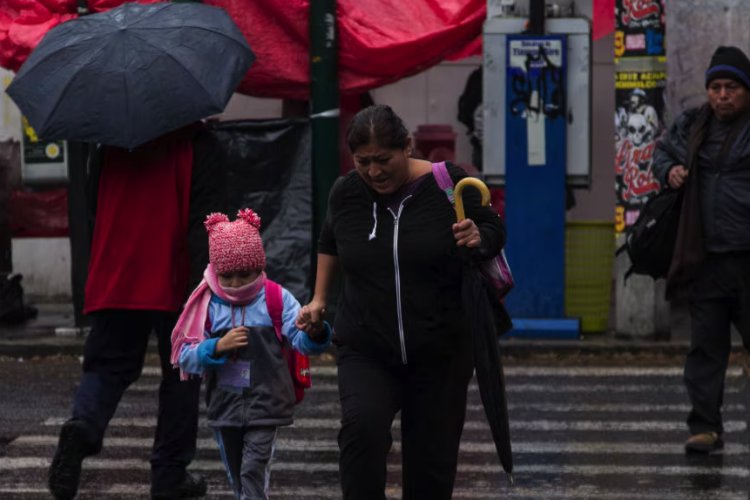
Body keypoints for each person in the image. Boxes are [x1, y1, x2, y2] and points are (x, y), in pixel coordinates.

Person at [296, 104, 507, 499]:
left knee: (430, 469)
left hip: (440, 351)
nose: (374, 172)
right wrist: (320, 298)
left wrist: (478, 236)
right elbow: (330, 241)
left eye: (383, 160)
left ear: (406, 147)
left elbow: (494, 229)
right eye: (363, 162)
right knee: (361, 434)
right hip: (367, 347)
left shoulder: (449, 186)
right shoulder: (346, 193)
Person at [48, 126, 221, 500]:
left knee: (108, 365)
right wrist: (204, 286)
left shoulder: (111, 139)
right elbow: (205, 220)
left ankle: (84, 426)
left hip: (117, 269)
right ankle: (168, 475)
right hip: (173, 273)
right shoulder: (198, 140)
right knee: (182, 374)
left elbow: (93, 200)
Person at [171, 209, 332, 500]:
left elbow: (299, 340)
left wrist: (315, 332)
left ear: (259, 267)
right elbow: (184, 355)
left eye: (244, 274)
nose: (236, 284)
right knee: (237, 475)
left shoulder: (276, 299)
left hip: (267, 405)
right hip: (225, 407)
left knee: (252, 470)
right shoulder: (207, 305)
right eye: (227, 276)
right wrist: (216, 347)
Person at [652, 45, 750, 454]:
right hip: (705, 257)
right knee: (706, 350)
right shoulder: (692, 125)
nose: (722, 95)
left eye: (731, 87)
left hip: (748, 260)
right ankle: (706, 426)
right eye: (715, 87)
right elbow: (660, 154)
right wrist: (669, 171)